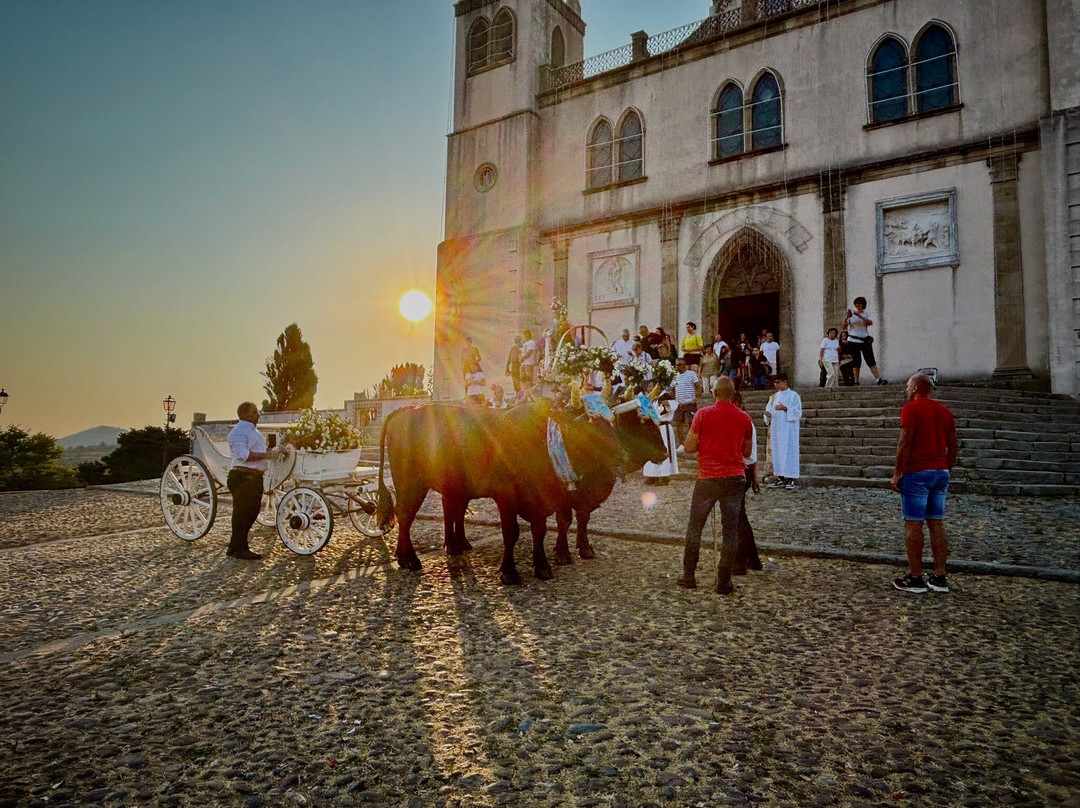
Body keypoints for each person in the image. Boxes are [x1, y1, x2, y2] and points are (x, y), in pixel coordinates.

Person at [677, 376, 754, 595]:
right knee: (730, 530)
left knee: (695, 527)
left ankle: (689, 575)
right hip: (734, 477)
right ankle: (723, 580)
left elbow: (690, 447)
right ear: (733, 394)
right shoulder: (744, 418)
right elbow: (747, 452)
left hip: (708, 478)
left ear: (714, 393)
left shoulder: (703, 414)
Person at [891, 373, 957, 594]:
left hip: (917, 471)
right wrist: (946, 466)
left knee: (914, 523)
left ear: (916, 388)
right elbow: (953, 444)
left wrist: (898, 472)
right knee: (936, 522)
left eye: (908, 386)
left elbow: (905, 440)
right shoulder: (945, 412)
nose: (906, 390)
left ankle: (916, 577)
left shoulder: (910, 409)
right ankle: (939, 576)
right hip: (940, 471)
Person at [226, 401, 279, 560]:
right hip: (242, 477)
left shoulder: (253, 432)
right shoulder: (237, 432)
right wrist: (265, 456)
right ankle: (240, 548)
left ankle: (234, 546)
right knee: (243, 513)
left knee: (251, 512)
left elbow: (260, 451)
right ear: (244, 414)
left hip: (253, 477)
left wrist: (275, 451)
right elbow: (243, 455)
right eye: (255, 412)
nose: (258, 415)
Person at [732, 390, 762, 575]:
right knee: (739, 515)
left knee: (737, 517)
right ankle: (753, 558)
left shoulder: (745, 422)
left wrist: (754, 477)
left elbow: (750, 455)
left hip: (741, 471)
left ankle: (741, 560)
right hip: (744, 471)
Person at [764, 372, 802, 490]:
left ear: (785, 382)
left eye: (778, 382)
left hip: (789, 429)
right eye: (775, 383)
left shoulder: (793, 395)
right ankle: (780, 476)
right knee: (778, 452)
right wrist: (767, 415)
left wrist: (785, 408)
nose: (776, 385)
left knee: (789, 452)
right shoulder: (774, 397)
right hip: (777, 428)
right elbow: (768, 409)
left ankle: (790, 478)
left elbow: (797, 412)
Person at [841, 296, 888, 385]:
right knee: (856, 361)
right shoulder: (851, 316)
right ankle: (856, 380)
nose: (857, 306)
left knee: (870, 360)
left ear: (863, 305)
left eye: (859, 304)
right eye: (856, 304)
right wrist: (847, 318)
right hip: (853, 340)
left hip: (864, 340)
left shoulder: (866, 314)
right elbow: (843, 327)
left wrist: (860, 316)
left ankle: (878, 379)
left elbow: (869, 323)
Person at [643, 398, 679, 485]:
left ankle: (664, 475)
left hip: (663, 428)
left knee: (663, 450)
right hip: (652, 428)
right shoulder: (651, 399)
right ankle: (651, 475)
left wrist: (665, 401)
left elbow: (671, 406)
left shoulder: (668, 399)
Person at [671, 358, 701, 446]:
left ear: (684, 365)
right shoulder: (674, 376)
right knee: (678, 422)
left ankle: (692, 441)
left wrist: (697, 397)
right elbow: (672, 388)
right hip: (679, 403)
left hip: (690, 402)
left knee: (691, 422)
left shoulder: (691, 374)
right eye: (676, 365)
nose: (677, 367)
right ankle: (681, 442)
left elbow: (697, 385)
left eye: (679, 365)